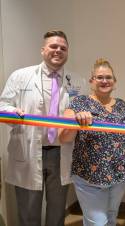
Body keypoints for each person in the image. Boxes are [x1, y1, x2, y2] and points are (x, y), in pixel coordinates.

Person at [0, 30, 76, 226]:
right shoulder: (21, 76)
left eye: (63, 48)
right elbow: (2, 105)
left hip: (60, 153)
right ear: (43, 50)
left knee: (57, 211)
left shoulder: (75, 81)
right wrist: (13, 111)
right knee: (28, 211)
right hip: (29, 152)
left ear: (67, 52)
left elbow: (78, 113)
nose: (58, 50)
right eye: (53, 46)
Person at [58, 58, 125, 225]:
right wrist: (76, 122)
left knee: (111, 217)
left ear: (114, 82)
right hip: (89, 176)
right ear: (91, 80)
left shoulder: (122, 105)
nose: (104, 81)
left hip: (119, 174)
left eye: (108, 77)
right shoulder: (79, 103)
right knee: (97, 222)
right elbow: (63, 137)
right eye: (99, 77)